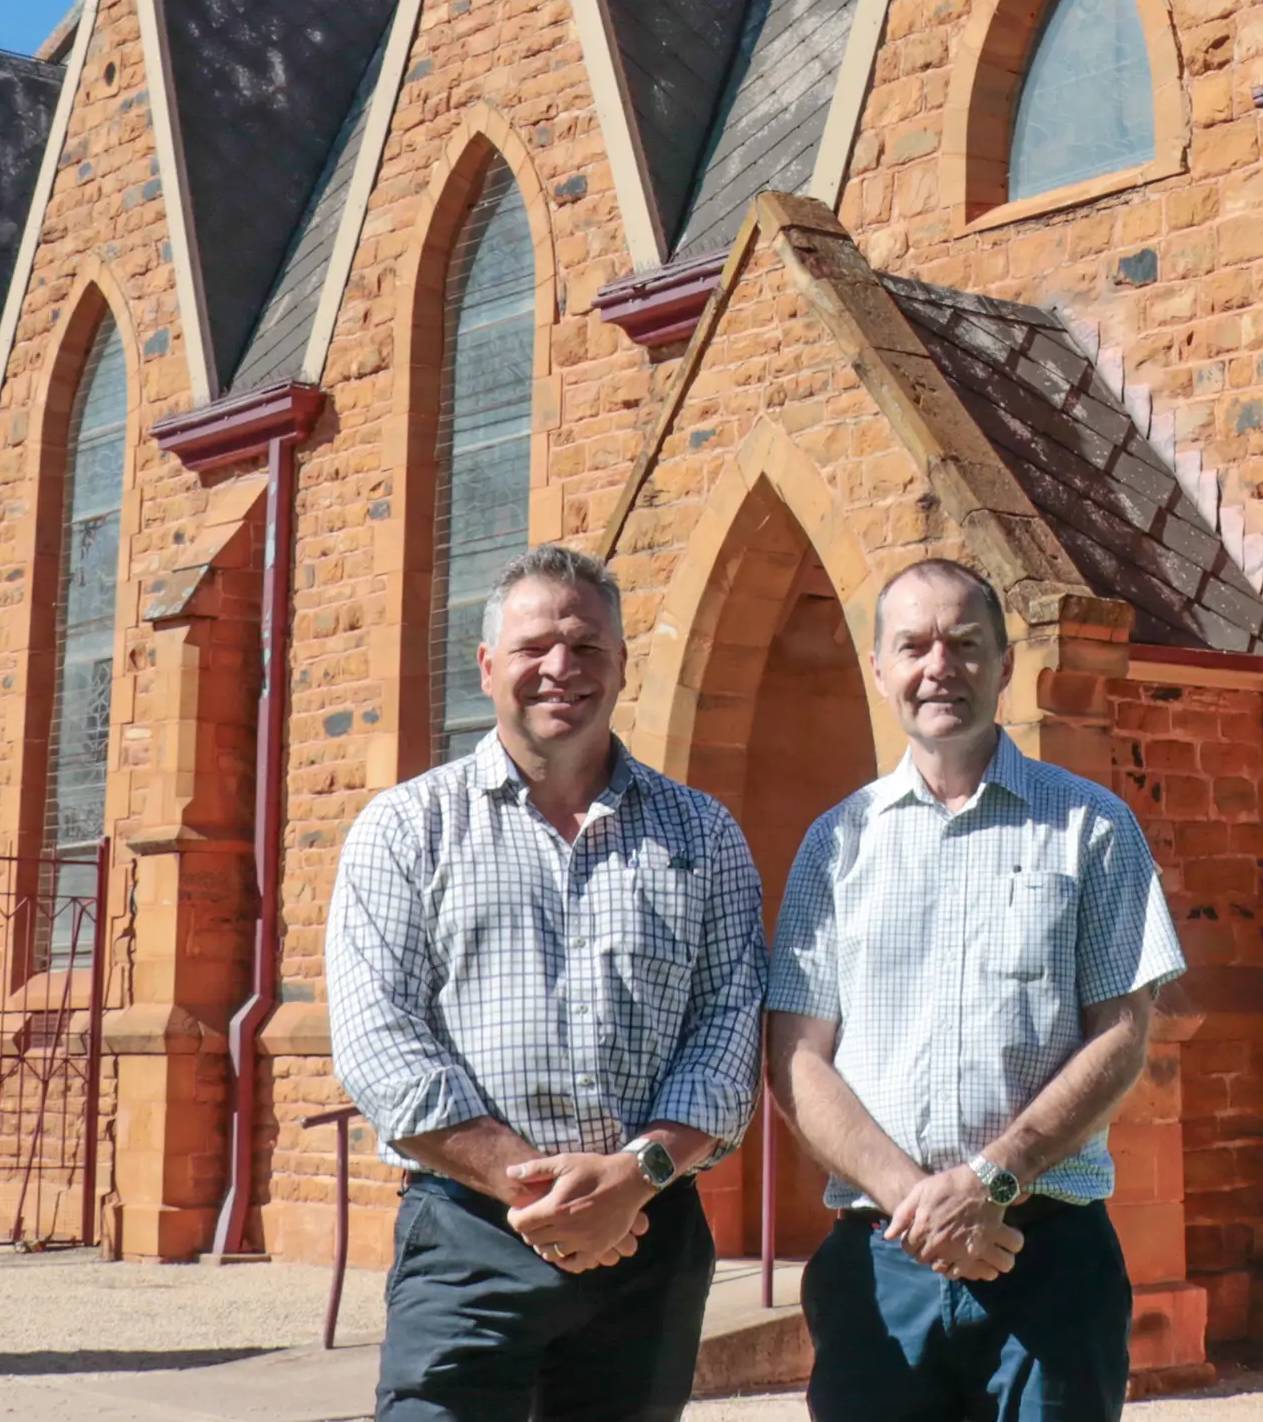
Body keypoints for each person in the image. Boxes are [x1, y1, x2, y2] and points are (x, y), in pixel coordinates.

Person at [327, 545, 763, 1422]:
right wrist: (542, 1194)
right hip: (468, 1237)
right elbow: (378, 1038)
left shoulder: (705, 834)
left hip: (650, 1235)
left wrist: (633, 1178)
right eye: (534, 648)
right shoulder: (408, 828)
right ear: (488, 667)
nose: (561, 667)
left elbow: (731, 1026)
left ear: (621, 667)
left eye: (587, 647)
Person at [767, 556, 1185, 1421]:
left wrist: (989, 1181)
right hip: (881, 1261)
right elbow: (796, 1054)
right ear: (879, 668)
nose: (938, 667)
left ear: (1004, 664)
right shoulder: (834, 845)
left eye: (964, 643)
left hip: (1049, 1257)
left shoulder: (1091, 826)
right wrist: (917, 1203)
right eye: (912, 646)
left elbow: (1123, 1033)